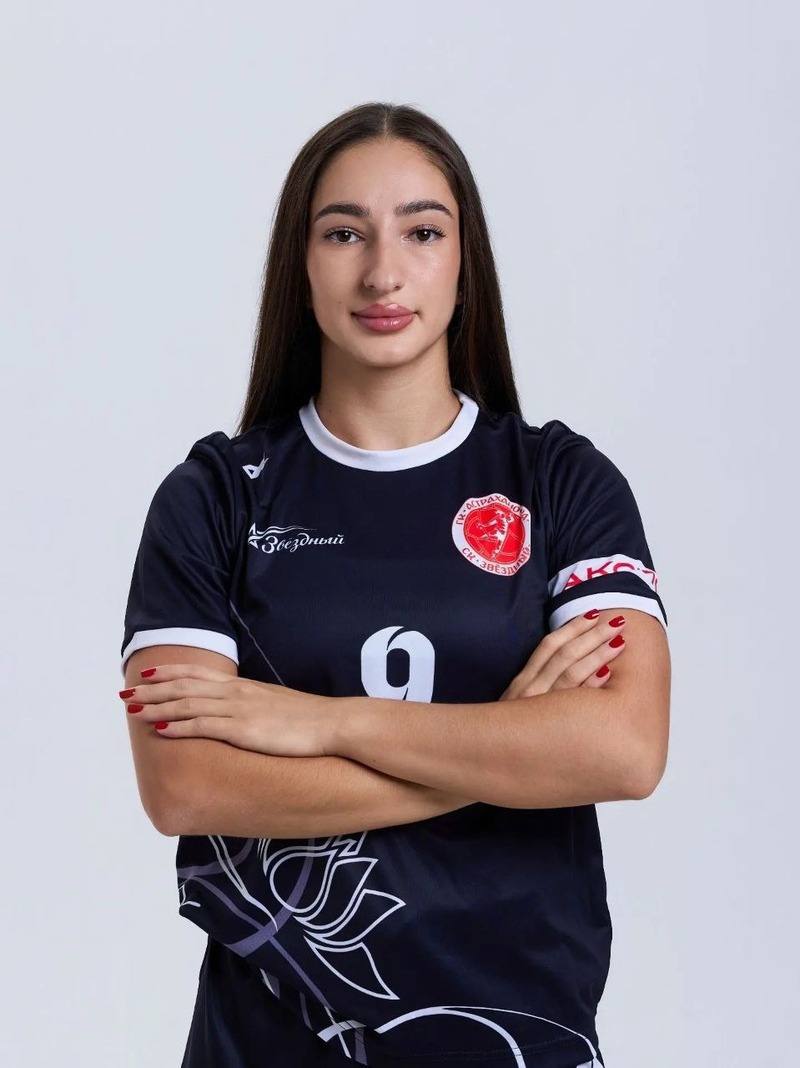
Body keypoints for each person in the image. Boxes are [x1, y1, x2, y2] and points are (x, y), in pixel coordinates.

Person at [119, 102, 670, 1068]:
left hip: (520, 1032)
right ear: (300, 262)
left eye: (422, 232)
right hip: (270, 1041)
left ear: (465, 260)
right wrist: (505, 748)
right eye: (344, 234)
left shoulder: (560, 482)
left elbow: (624, 750)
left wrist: (321, 722)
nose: (383, 272)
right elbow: (186, 785)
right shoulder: (215, 495)